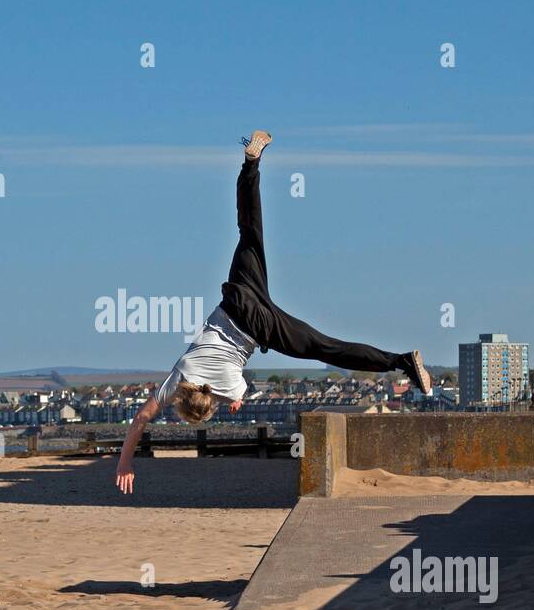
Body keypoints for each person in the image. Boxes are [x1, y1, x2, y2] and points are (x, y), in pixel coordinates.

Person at [115, 131, 431, 494]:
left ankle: (402, 361)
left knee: (324, 347)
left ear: (205, 404)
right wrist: (124, 459)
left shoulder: (225, 388)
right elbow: (141, 418)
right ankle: (251, 163)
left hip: (259, 327)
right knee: (249, 232)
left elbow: (237, 390)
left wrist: (233, 400)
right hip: (238, 295)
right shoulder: (179, 376)